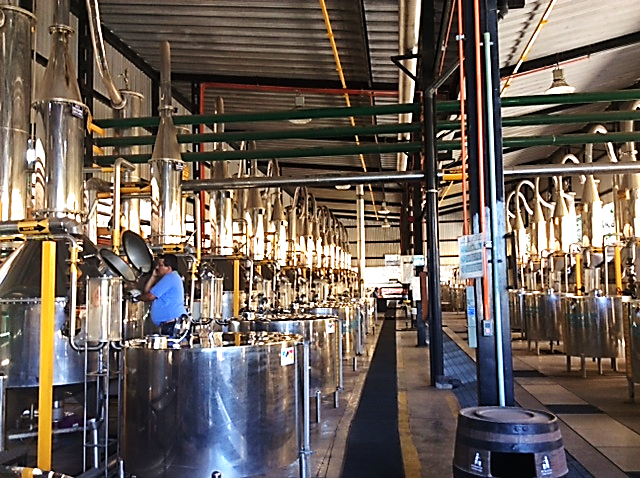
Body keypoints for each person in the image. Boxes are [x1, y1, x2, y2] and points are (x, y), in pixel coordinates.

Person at [138, 254, 188, 335]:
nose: (157, 268)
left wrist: (137, 298)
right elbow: (147, 292)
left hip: (172, 324)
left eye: (160, 265)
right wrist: (153, 277)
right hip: (171, 324)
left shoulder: (170, 277)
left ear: (168, 268)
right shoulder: (171, 277)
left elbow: (150, 296)